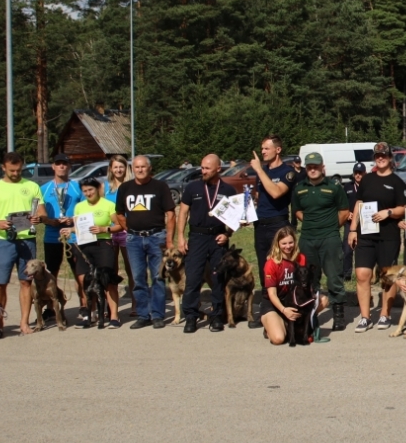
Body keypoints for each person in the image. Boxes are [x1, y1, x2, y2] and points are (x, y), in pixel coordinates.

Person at [0, 150, 45, 336]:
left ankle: (24, 323)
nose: (16, 174)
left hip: (27, 240)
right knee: (0, 283)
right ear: (3, 168)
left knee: (26, 282)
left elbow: (42, 212)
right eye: (12, 171)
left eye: (18, 170)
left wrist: (37, 218)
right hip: (4, 241)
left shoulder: (32, 186)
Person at [348, 142, 406, 331]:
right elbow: (358, 203)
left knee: (387, 276)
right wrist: (352, 229)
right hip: (366, 235)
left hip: (388, 236)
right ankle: (365, 317)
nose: (380, 158)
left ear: (390, 158)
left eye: (384, 155)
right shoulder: (366, 180)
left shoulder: (397, 182)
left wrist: (388, 213)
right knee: (362, 274)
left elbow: (403, 208)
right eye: (377, 155)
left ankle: (384, 314)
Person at [174, 154, 236, 333]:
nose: (203, 171)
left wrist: (227, 233)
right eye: (202, 167)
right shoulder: (193, 187)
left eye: (207, 168)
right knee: (193, 278)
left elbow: (235, 217)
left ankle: (217, 316)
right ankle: (191, 317)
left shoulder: (228, 190)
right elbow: (183, 213)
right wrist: (180, 237)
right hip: (197, 237)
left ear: (218, 169)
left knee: (217, 278)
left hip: (217, 238)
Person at [292, 152, 352, 333]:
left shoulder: (334, 187)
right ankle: (312, 313)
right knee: (309, 278)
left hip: (330, 238)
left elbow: (343, 211)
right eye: (309, 166)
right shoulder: (299, 188)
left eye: (316, 166)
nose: (312, 169)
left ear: (322, 167)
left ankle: (339, 315)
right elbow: (298, 211)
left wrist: (330, 227)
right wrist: (312, 224)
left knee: (334, 277)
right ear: (305, 168)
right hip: (308, 239)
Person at [115, 155, 177, 330]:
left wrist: (169, 240)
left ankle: (157, 315)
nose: (140, 170)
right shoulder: (125, 188)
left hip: (156, 237)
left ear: (149, 168)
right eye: (136, 167)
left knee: (158, 277)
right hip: (134, 239)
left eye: (143, 167)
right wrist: (130, 229)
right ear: (132, 169)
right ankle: (143, 314)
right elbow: (119, 213)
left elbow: (171, 214)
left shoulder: (160, 187)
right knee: (138, 278)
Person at [248, 135, 298, 325]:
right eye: (261, 149)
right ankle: (267, 311)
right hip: (261, 224)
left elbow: (276, 192)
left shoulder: (288, 172)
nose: (263, 152)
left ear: (278, 150)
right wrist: (248, 214)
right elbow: (259, 197)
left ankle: (287, 307)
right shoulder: (262, 173)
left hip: (279, 224)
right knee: (264, 269)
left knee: (282, 267)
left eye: (266, 149)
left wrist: (259, 170)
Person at [63, 175, 121, 327]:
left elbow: (119, 225)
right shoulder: (79, 207)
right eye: (85, 191)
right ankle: (90, 315)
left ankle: (114, 316)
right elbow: (78, 227)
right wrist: (69, 230)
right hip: (84, 246)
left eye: (90, 190)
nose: (88, 193)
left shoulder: (108, 204)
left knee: (107, 281)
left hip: (103, 244)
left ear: (97, 189)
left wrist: (104, 228)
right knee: (85, 281)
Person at [38, 153, 83, 316]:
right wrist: (50, 221)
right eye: (58, 163)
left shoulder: (77, 187)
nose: (62, 166)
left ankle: (83, 305)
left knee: (79, 272)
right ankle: (51, 308)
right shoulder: (44, 189)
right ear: (53, 166)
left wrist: (72, 219)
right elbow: (38, 214)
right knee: (51, 273)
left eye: (65, 164)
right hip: (52, 235)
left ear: (69, 166)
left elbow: (85, 212)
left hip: (74, 235)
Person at [260, 227, 319, 346]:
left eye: (290, 242)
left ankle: (293, 325)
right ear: (278, 244)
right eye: (284, 243)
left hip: (292, 299)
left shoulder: (300, 258)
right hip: (274, 303)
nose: (288, 246)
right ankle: (272, 325)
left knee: (322, 300)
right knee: (278, 339)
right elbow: (272, 294)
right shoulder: (271, 264)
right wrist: (283, 310)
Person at [103, 153, 137, 304]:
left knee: (132, 270)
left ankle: (136, 304)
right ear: (111, 169)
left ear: (126, 168)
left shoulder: (132, 185)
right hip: (109, 232)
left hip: (127, 231)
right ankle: (112, 307)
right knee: (111, 270)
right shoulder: (105, 187)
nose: (118, 170)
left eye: (121, 167)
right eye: (115, 167)